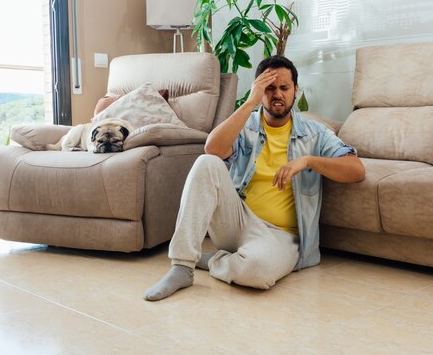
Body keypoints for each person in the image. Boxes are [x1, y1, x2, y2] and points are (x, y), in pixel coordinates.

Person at [143, 55, 365, 301]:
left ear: (295, 90)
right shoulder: (245, 125)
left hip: (282, 236)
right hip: (237, 221)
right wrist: (250, 102)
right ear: (259, 91)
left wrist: (308, 161)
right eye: (269, 88)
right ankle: (182, 267)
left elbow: (356, 170)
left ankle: (217, 260)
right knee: (206, 163)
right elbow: (212, 149)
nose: (277, 94)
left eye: (284, 87)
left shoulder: (315, 133)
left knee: (257, 273)